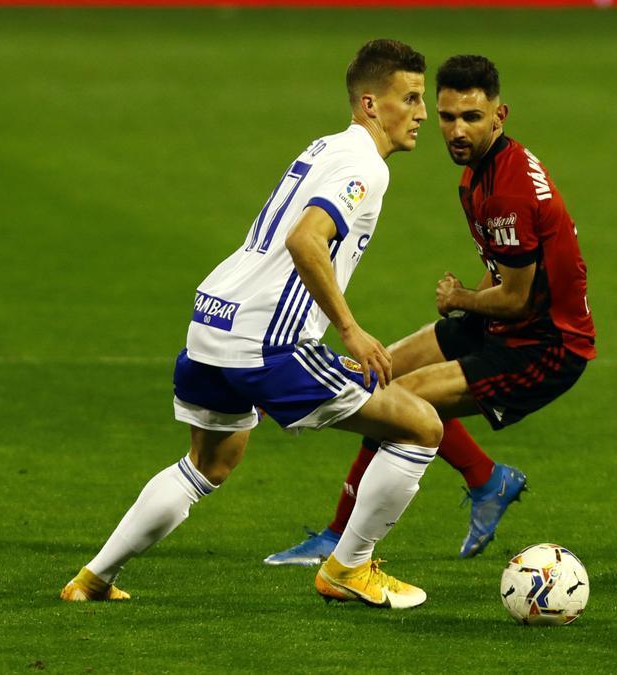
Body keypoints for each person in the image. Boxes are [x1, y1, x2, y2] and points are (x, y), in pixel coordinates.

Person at [60, 39, 441, 609]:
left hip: (212, 320)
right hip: (269, 341)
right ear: (369, 104)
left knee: (210, 462)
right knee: (421, 426)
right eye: (409, 98)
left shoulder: (327, 146)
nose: (422, 113)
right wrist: (350, 330)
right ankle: (348, 569)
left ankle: (91, 580)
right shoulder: (365, 166)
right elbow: (305, 239)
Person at [264, 54, 596, 566]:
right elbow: (507, 268)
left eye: (471, 118)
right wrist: (472, 301)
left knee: (395, 404)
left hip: (545, 346)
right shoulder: (480, 174)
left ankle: (343, 540)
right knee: (377, 374)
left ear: (499, 116)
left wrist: (461, 298)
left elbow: (516, 297)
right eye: (446, 116)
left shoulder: (505, 188)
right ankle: (486, 479)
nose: (455, 130)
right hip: (506, 326)